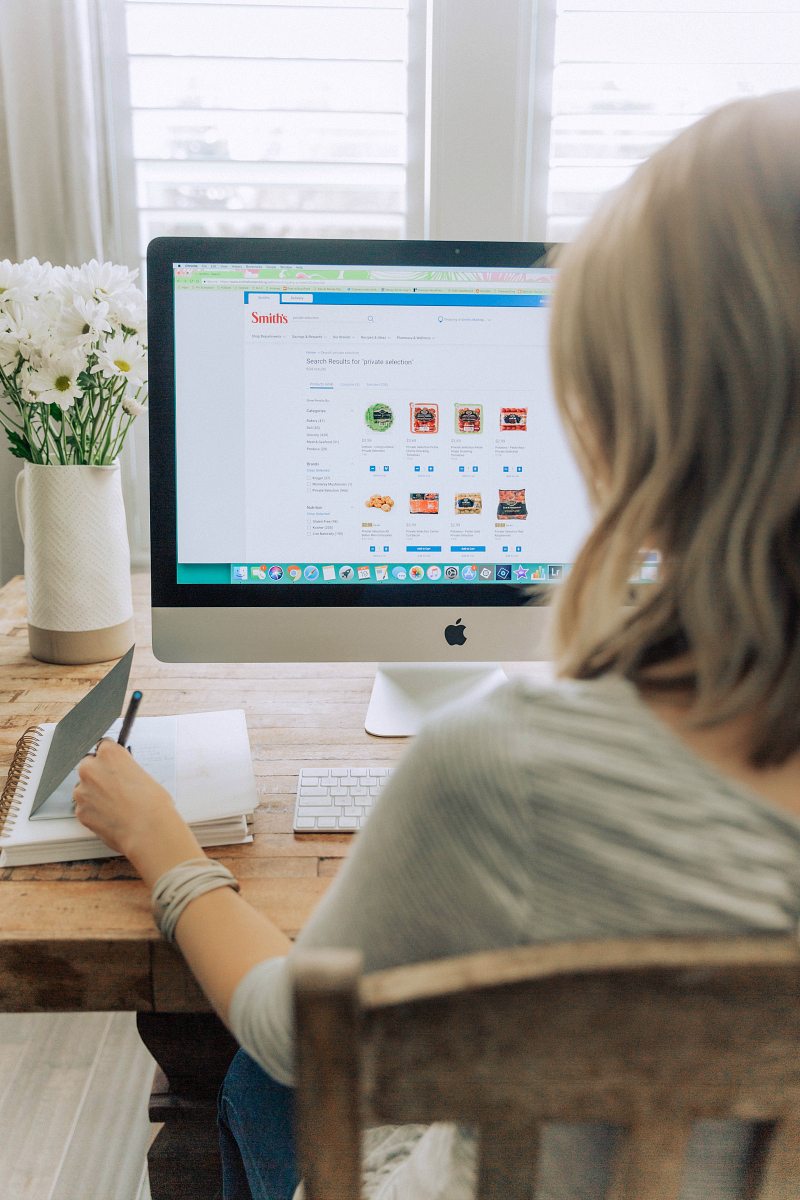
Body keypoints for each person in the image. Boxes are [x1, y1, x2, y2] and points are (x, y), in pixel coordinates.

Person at [74, 89, 800, 1200]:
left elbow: (287, 1028)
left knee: (242, 1079)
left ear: (639, 431)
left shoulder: (503, 771)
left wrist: (171, 857)